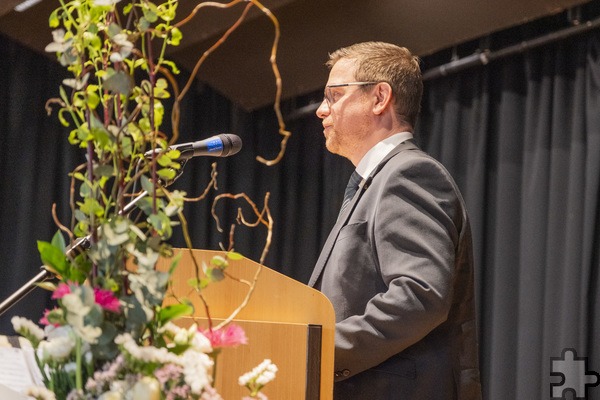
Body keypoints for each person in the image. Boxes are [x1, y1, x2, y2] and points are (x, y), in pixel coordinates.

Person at [307, 41, 482, 399]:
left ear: (379, 97)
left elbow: (419, 295)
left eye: (334, 95)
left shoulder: (408, 173)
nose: (322, 111)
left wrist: (316, 353)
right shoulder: (375, 182)